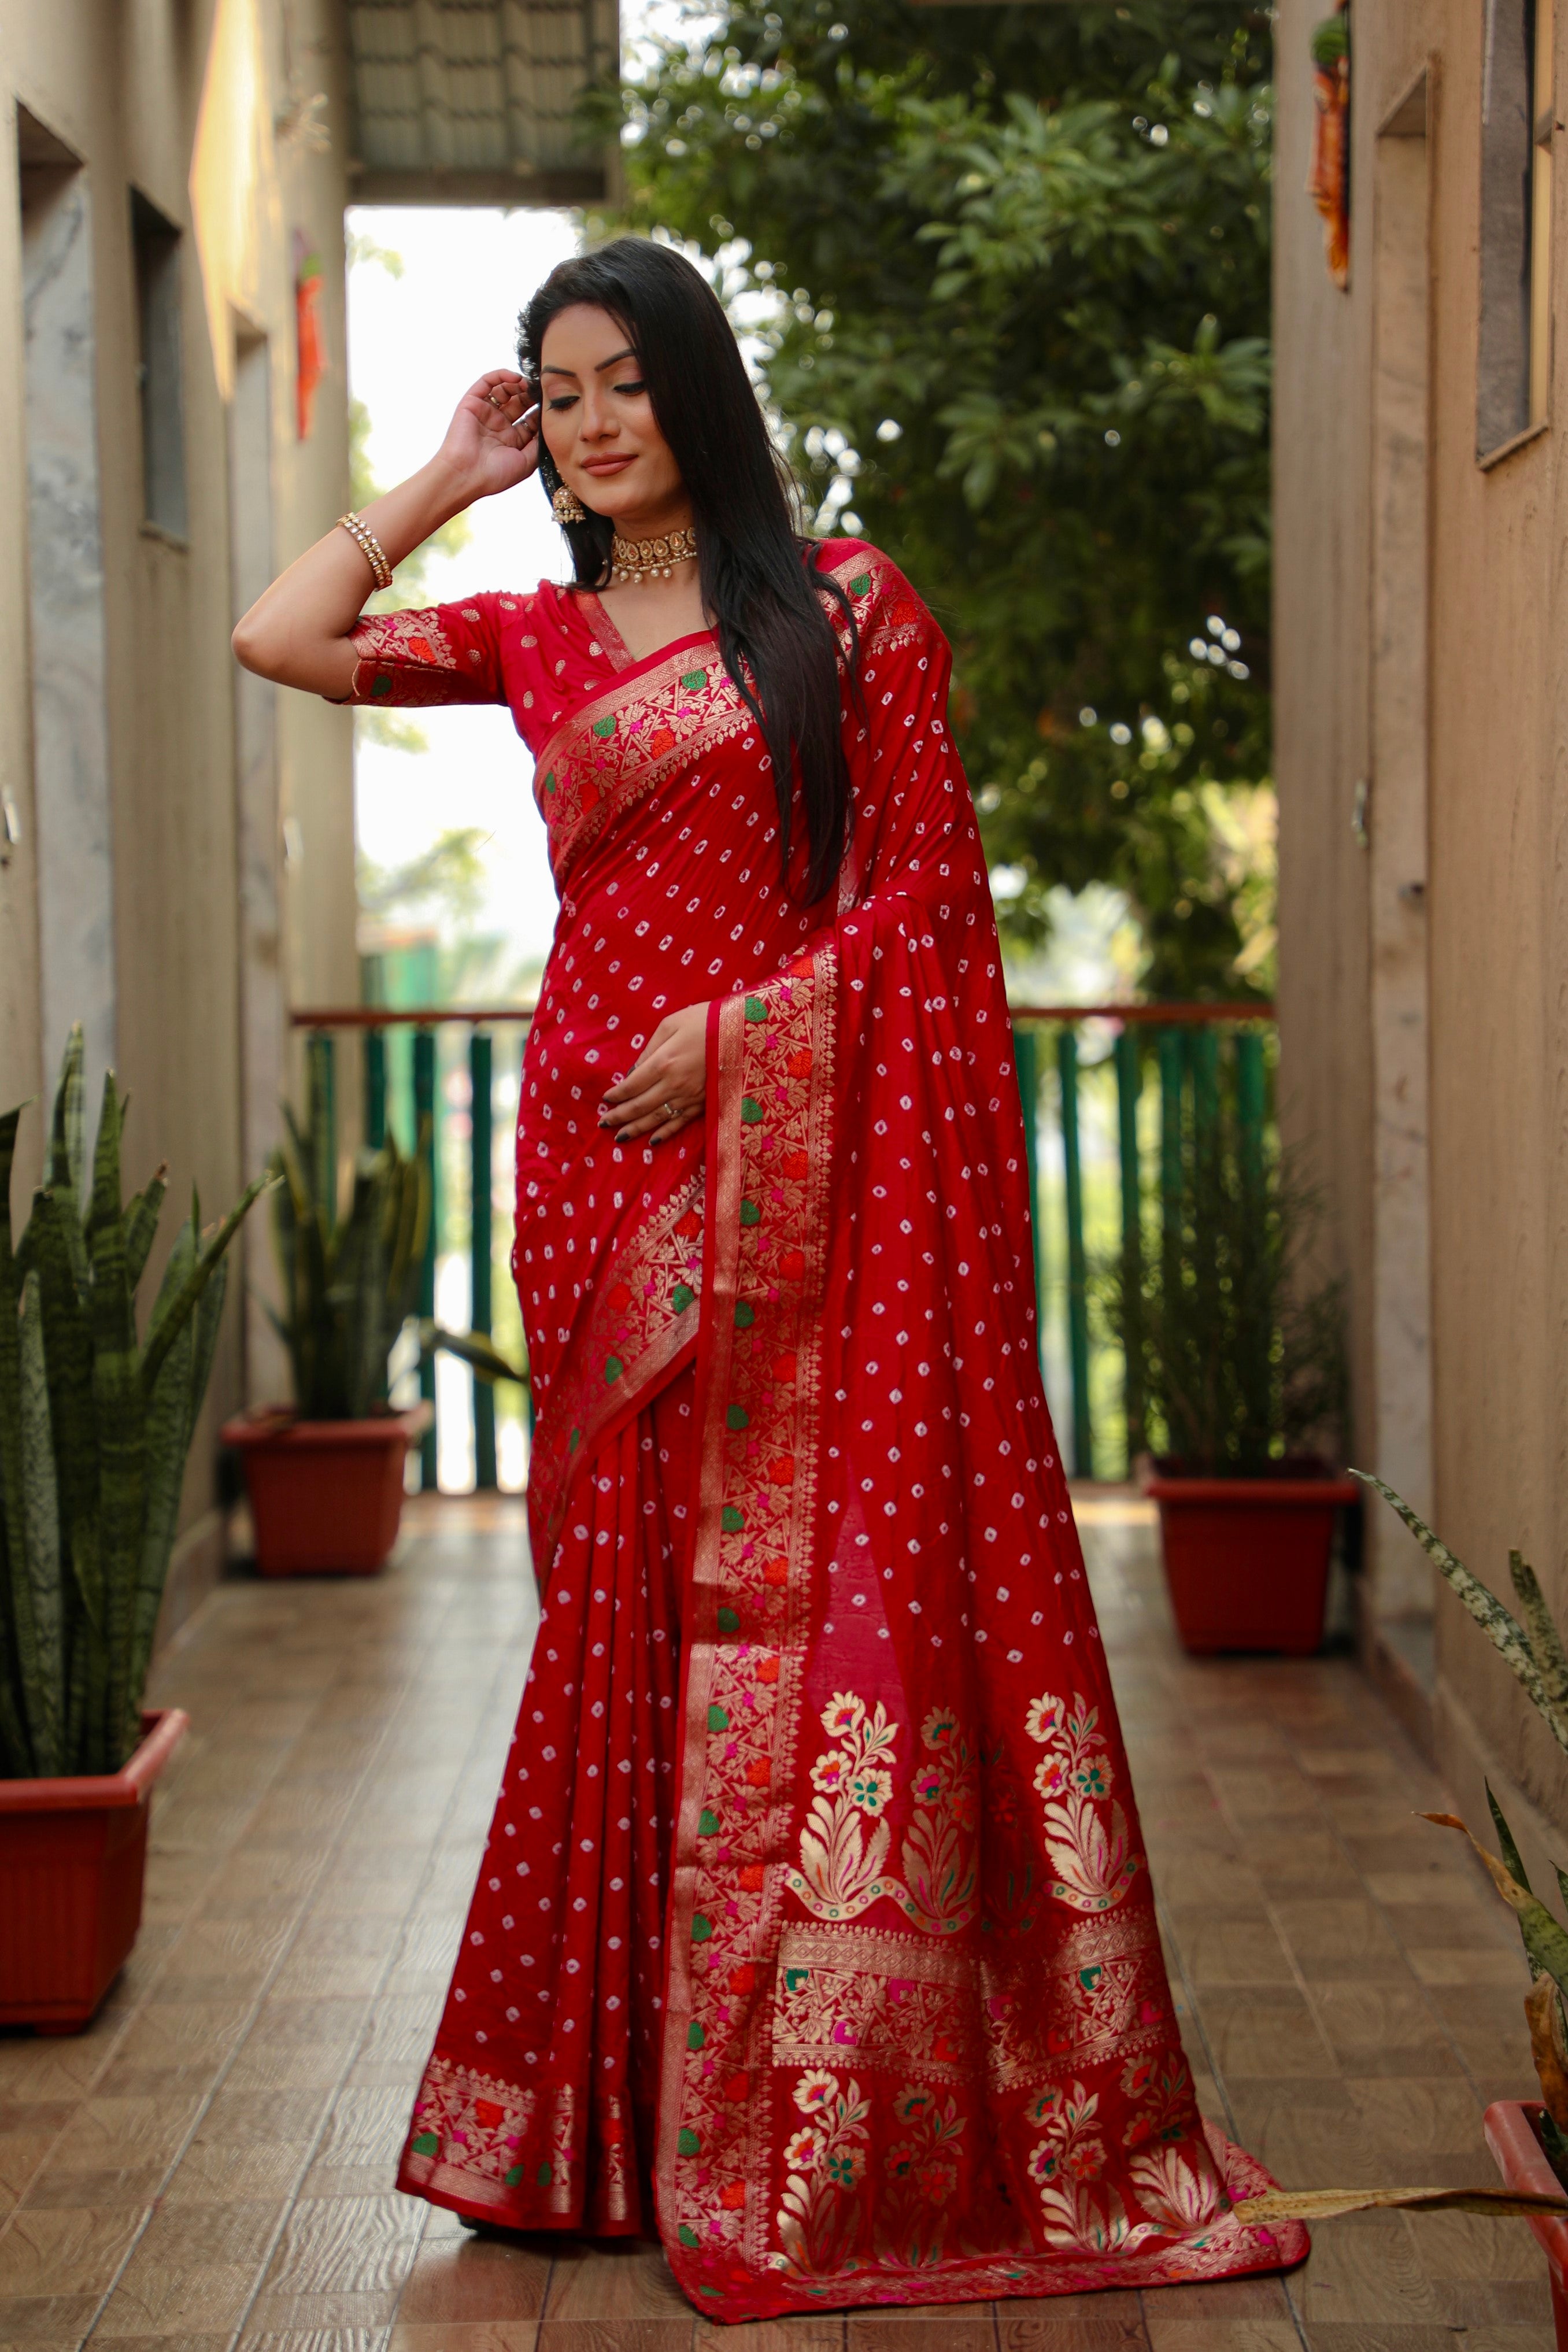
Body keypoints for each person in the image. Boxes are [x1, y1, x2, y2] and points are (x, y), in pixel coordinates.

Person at [233, 235, 1304, 2324]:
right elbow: (283, 637)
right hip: (594, 1178)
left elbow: (930, 912)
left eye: (624, 379)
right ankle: (608, 2127)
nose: (593, 421)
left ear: (698, 389)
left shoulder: (846, 607)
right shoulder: (537, 634)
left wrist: (740, 1040)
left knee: (823, 1606)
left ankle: (800, 2115)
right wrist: (444, 479)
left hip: (802, 1165)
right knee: (624, 1615)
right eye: (558, 393)